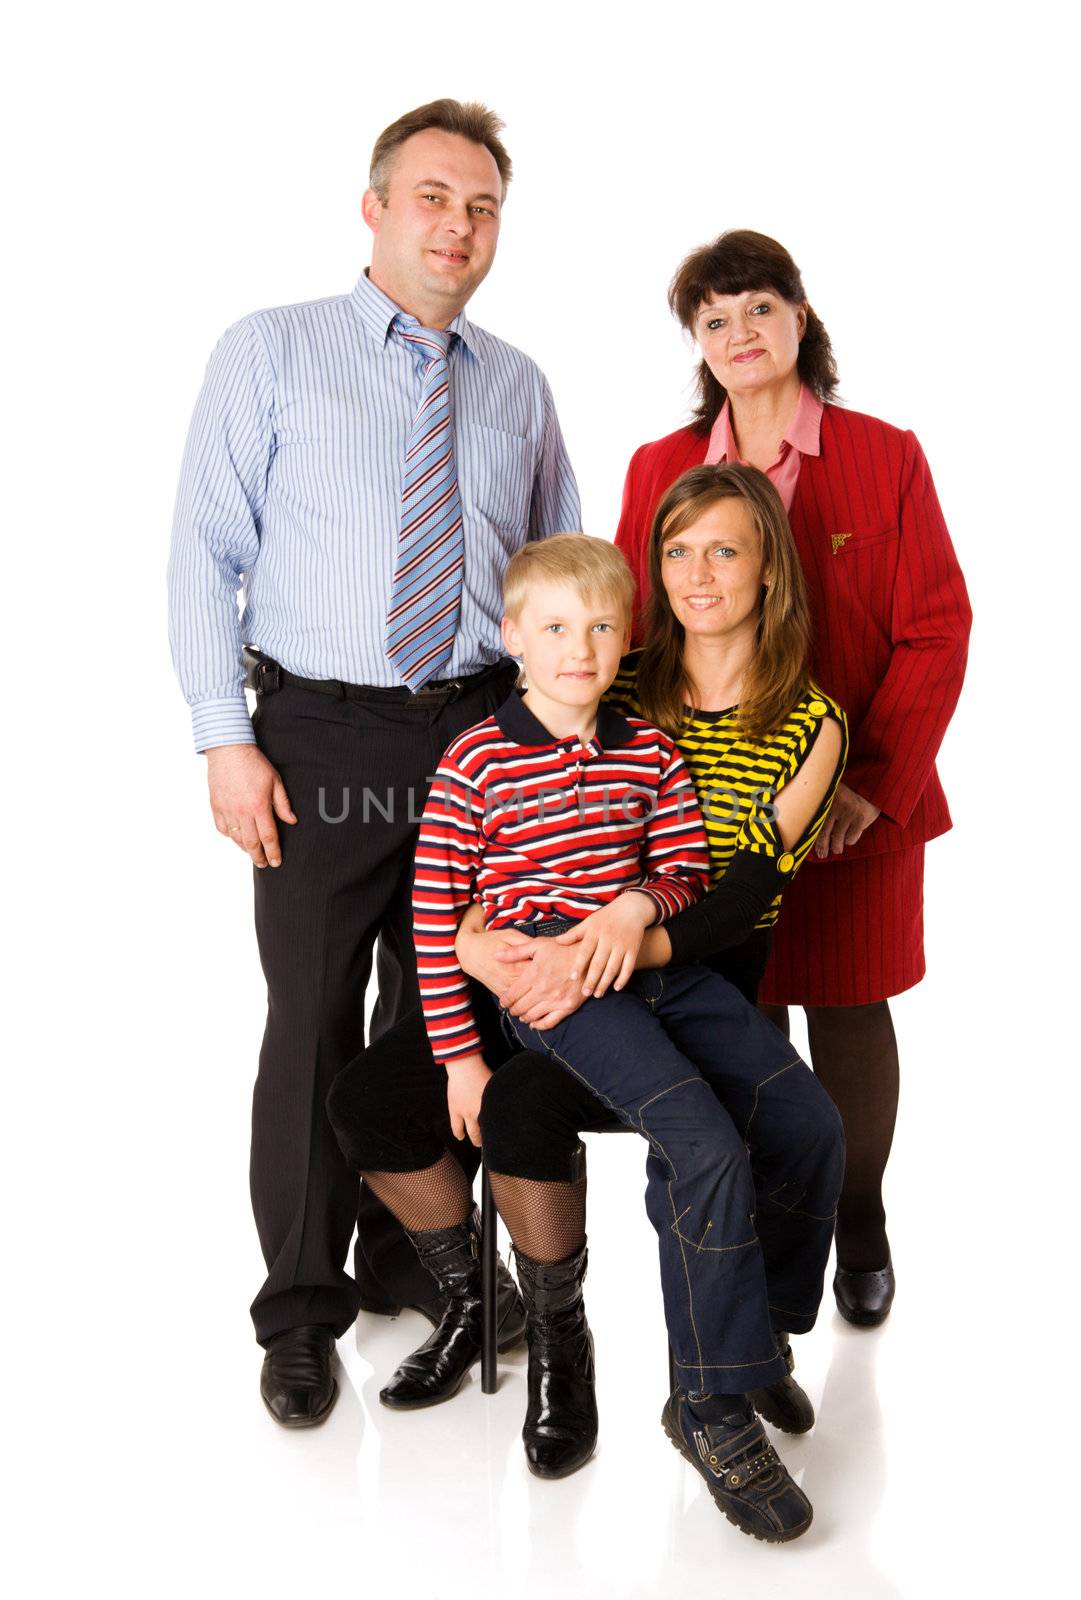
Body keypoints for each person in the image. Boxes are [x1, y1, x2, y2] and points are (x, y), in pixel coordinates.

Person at [167, 98, 580, 1427]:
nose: (458, 227)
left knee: (444, 1021)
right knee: (312, 1021)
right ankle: (299, 1310)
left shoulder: (518, 385)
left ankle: (413, 1253)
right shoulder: (271, 353)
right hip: (319, 735)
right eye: (433, 197)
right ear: (375, 206)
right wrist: (225, 737)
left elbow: (558, 574)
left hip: (474, 737)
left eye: (482, 207)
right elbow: (203, 554)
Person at [329, 496, 847, 1543]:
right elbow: (437, 916)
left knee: (812, 1125)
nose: (584, 648)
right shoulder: (487, 754)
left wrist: (630, 909)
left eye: (603, 628)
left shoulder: (667, 740)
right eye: (559, 628)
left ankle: (756, 1347)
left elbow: (698, 875)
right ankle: (706, 1405)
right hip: (559, 998)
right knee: (700, 1140)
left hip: (675, 970)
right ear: (513, 636)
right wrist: (467, 1044)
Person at [611, 231, 971, 1325]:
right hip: (703, 807)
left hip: (858, 811)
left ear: (800, 318)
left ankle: (859, 1218)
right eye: (713, 319)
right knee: (743, 1020)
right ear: (699, 345)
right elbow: (632, 632)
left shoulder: (883, 453)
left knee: (852, 1009)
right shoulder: (657, 469)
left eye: (758, 308)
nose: (739, 333)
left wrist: (872, 780)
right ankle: (773, 1233)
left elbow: (935, 626)